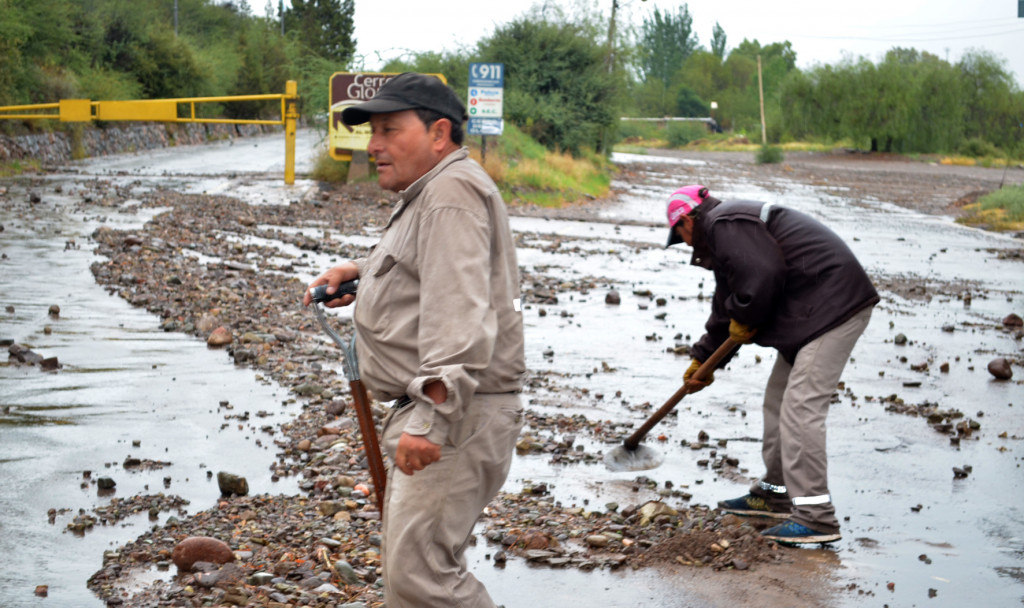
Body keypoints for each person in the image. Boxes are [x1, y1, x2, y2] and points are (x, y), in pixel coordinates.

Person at [303, 72, 526, 606]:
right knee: (416, 572)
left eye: (388, 130)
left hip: (454, 413)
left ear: (438, 133)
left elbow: (461, 314)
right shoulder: (435, 190)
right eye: (370, 132)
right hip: (450, 409)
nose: (373, 146)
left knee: (420, 578)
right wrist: (366, 277)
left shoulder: (449, 194)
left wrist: (429, 420)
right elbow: (437, 274)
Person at [665, 184, 878, 545]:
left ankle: (816, 517)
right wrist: (705, 358)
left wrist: (748, 311)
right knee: (777, 402)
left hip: (832, 307)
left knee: (801, 409)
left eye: (680, 234)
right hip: (811, 312)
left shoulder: (724, 222)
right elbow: (729, 304)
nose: (685, 244)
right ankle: (775, 493)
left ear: (687, 219)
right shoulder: (724, 234)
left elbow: (762, 276)